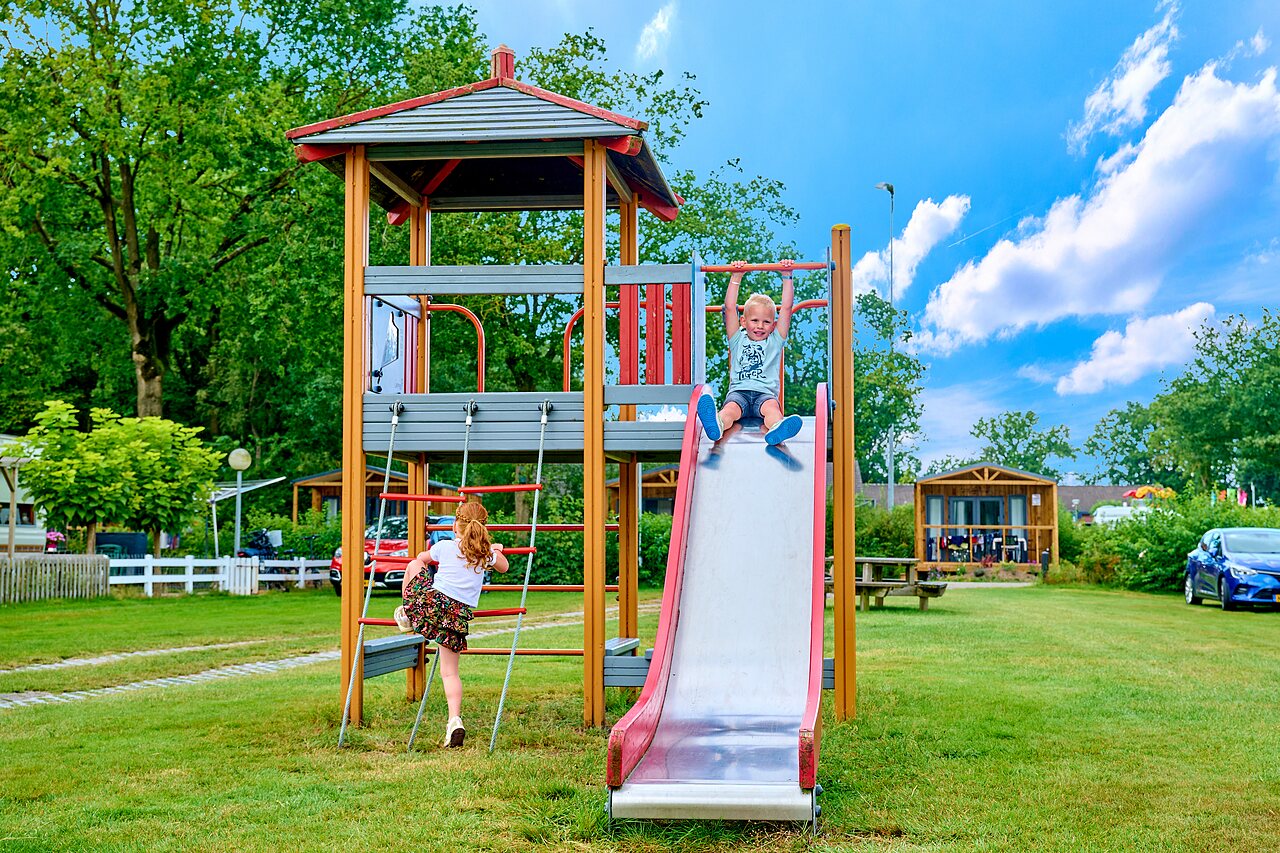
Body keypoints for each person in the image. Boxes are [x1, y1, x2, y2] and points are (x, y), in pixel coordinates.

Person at [392, 500, 508, 747]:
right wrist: (495, 550)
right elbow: (504, 567)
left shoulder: (443, 546)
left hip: (433, 606)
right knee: (450, 672)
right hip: (456, 617)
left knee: (413, 564)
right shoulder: (484, 554)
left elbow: (421, 560)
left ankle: (406, 613)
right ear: (483, 529)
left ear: (456, 525)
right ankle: (454, 719)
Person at [696, 259, 804, 445]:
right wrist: (736, 276)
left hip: (765, 395)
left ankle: (777, 428)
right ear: (743, 322)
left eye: (766, 322)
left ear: (773, 325)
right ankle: (717, 425)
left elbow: (786, 308)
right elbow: (730, 307)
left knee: (772, 410)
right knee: (730, 410)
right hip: (739, 393)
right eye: (754, 320)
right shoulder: (737, 339)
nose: (760, 326)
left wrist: (787, 276)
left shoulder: (775, 341)